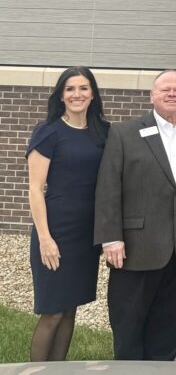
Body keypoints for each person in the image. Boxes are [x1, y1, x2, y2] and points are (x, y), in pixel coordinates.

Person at [94, 70, 176, 361]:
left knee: (168, 326)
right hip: (134, 248)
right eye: (165, 89)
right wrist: (110, 238)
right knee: (128, 323)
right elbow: (108, 188)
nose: (171, 94)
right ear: (152, 96)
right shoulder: (124, 133)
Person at [26, 67, 109, 362]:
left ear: (93, 94)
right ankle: (36, 371)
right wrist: (45, 239)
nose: (77, 94)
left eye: (84, 88)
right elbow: (35, 189)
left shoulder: (103, 131)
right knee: (53, 311)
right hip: (56, 231)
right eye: (70, 89)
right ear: (61, 95)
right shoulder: (48, 131)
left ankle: (57, 370)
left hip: (86, 234)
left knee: (71, 307)